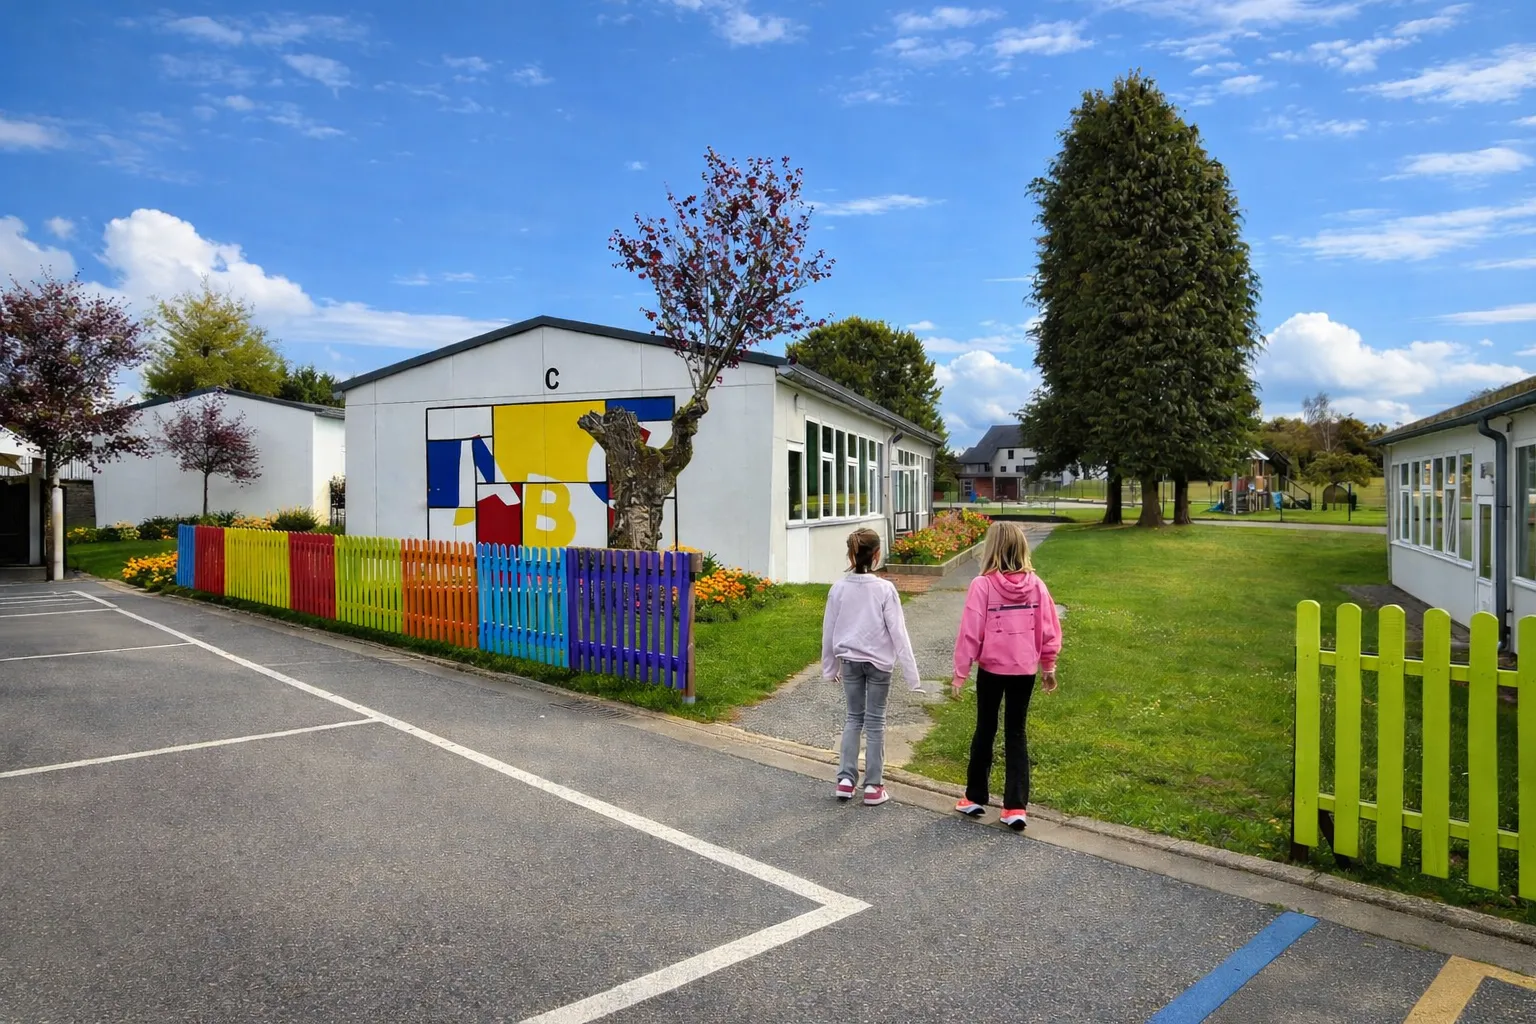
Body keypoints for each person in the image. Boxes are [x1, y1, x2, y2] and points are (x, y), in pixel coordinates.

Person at [950, 521, 1062, 831]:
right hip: (1024, 671)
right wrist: (1048, 667)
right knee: (1016, 732)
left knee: (985, 729)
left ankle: (975, 797)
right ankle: (1015, 806)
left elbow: (970, 633)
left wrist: (960, 673)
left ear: (991, 549)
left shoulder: (982, 585)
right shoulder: (1037, 586)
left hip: (991, 670)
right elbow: (1049, 629)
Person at [821, 527, 924, 807]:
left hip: (850, 661)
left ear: (851, 554)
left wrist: (830, 667)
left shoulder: (838, 588)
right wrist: (912, 676)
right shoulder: (884, 589)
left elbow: (829, 630)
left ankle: (845, 780)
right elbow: (898, 632)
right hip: (879, 664)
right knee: (876, 722)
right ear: (877, 555)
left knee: (853, 718)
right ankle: (873, 786)